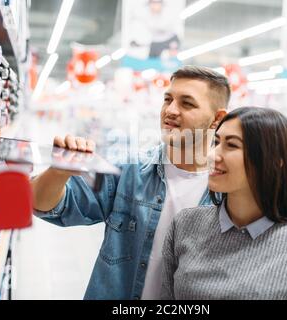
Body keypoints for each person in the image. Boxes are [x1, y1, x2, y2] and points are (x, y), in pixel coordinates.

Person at [31, 66, 229, 299]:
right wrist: (58, 171)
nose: (171, 110)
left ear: (217, 119)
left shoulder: (230, 192)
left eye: (187, 103)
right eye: (168, 99)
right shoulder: (127, 171)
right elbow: (43, 204)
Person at [161, 107, 287, 300]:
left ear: (275, 161)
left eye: (232, 145)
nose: (212, 155)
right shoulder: (185, 225)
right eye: (216, 142)